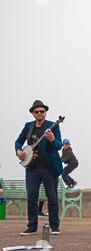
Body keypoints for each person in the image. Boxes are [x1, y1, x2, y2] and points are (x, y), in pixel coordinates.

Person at [15, 100, 63, 235]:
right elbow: (18, 141)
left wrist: (52, 139)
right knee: (31, 197)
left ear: (45, 112)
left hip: (49, 167)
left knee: (52, 197)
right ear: (33, 113)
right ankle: (32, 226)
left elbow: (59, 145)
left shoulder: (53, 126)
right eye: (37, 112)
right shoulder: (28, 126)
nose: (40, 114)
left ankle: (55, 226)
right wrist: (18, 151)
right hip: (32, 168)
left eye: (42, 111)